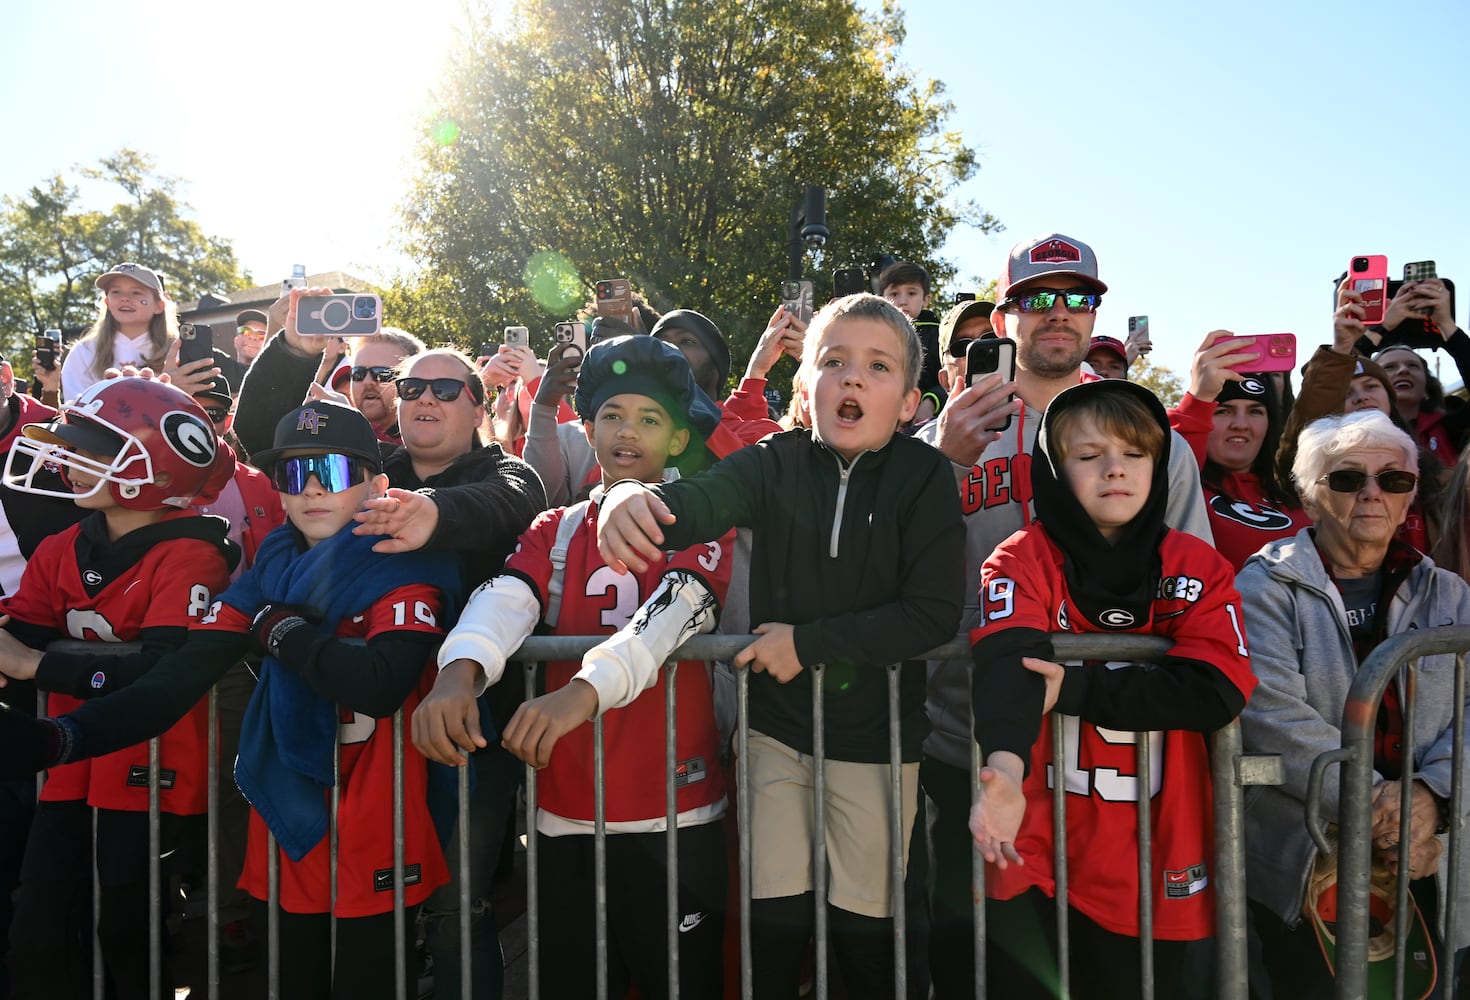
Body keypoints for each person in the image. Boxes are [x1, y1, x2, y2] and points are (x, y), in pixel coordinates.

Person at [0, 400, 466, 999]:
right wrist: (62, 738)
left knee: (367, 980)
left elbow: (377, 683)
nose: (313, 490)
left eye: (336, 471)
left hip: (380, 812)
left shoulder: (409, 561)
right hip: (291, 813)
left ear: (379, 485)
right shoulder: (272, 566)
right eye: (294, 475)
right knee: (294, 978)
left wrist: (279, 629)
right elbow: (178, 679)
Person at [596, 293, 965, 998]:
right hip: (775, 734)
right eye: (833, 362)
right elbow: (695, 503)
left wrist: (809, 644)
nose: (853, 379)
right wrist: (627, 498)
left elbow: (932, 615)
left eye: (878, 367)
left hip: (880, 744)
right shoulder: (772, 461)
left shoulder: (926, 479)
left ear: (912, 401)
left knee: (866, 939)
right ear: (805, 386)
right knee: (774, 929)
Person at [917, 232, 1214, 997]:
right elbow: (890, 559)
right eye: (1037, 298)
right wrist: (939, 463)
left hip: (1110, 748)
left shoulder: (1148, 435)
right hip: (974, 739)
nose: (1058, 313)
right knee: (983, 965)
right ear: (1004, 315)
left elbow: (1189, 578)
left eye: (1077, 298)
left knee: (1113, 967)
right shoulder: (947, 433)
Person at [416, 334, 731, 998]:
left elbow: (676, 612)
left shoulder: (700, 516)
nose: (627, 432)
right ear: (586, 428)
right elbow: (508, 595)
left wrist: (580, 693)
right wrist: (461, 667)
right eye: (612, 415)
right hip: (565, 809)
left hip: (675, 810)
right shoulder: (556, 525)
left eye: (650, 419)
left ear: (678, 439)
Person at [967, 378, 1256, 999]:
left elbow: (1215, 690)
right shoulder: (1021, 557)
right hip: (1042, 849)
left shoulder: (1196, 565)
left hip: (1155, 858)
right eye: (1089, 454)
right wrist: (1004, 776)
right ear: (1053, 468)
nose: (1114, 470)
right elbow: (1006, 663)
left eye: (1133, 454)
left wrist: (1071, 689)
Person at [0, 377, 236, 1000]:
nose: (67, 460)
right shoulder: (62, 546)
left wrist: (38, 668)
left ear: (152, 466)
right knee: (42, 925)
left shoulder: (192, 555)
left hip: (149, 764)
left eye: (92, 450)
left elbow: (166, 672)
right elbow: (15, 636)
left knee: (127, 931)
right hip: (71, 764)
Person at [1238, 409, 1470, 997]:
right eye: (1346, 479)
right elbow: (1270, 714)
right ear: (1310, 495)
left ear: (1411, 495)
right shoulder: (1262, 586)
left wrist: (1429, 800)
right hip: (1309, 861)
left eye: (1393, 481)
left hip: (1428, 852)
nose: (1372, 494)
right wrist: (1377, 805)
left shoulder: (1451, 593)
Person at [1167, 330, 1311, 570]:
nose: (1241, 424)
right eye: (1224, 411)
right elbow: (1167, 472)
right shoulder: (1183, 489)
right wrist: (1199, 397)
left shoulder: (1299, 493)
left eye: (1255, 411)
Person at [61, 263, 219, 404]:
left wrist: (175, 392)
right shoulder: (85, 351)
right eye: (116, 292)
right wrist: (165, 392)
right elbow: (76, 412)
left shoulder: (179, 349)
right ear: (107, 302)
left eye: (136, 292)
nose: (124, 298)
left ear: (159, 306)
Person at [878, 261, 943, 425]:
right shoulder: (873, 335)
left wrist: (931, 401)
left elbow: (948, 378)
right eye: (894, 294)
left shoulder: (938, 334)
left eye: (911, 293)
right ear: (881, 298)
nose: (902, 301)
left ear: (926, 299)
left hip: (925, 421)